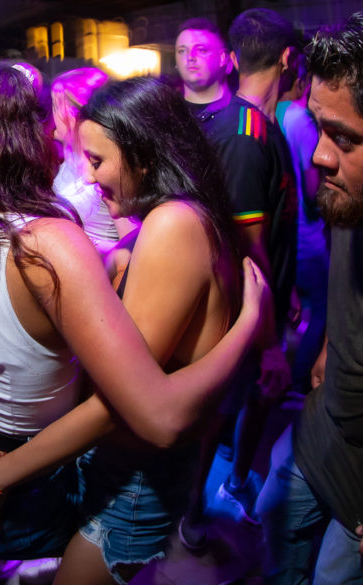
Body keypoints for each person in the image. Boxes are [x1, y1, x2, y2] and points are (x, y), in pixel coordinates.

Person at [0, 61, 269, 582]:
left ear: (145, 157)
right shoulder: (136, 231)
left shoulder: (171, 224)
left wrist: (251, 324)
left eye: (95, 159)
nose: (83, 173)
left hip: (130, 484)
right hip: (97, 465)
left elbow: (147, 409)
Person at [180, 8, 298, 547]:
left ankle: (203, 507)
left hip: (251, 303)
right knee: (212, 416)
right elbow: (250, 250)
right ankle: (193, 518)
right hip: (238, 309)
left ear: (230, 59)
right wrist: (270, 342)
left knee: (223, 411)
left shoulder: (248, 125)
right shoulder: (248, 133)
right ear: (288, 60)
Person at [256, 12, 363, 584]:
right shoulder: (349, 195)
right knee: (275, 548)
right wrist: (324, 345)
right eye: (321, 128)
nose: (321, 156)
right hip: (317, 436)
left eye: (343, 137)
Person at [275, 51, 329, 396]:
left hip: (282, 240)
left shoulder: (267, 115)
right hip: (308, 240)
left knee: (288, 317)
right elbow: (314, 187)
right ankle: (297, 379)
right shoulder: (299, 118)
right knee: (324, 311)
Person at [51, 68, 135, 254]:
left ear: (73, 114)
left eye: (56, 106)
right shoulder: (67, 161)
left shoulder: (106, 169)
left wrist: (80, 241)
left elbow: (134, 246)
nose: (52, 115)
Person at [174, 17, 233, 119]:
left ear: (222, 58)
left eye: (201, 50)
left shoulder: (240, 115)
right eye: (182, 51)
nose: (190, 57)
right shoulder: (166, 113)